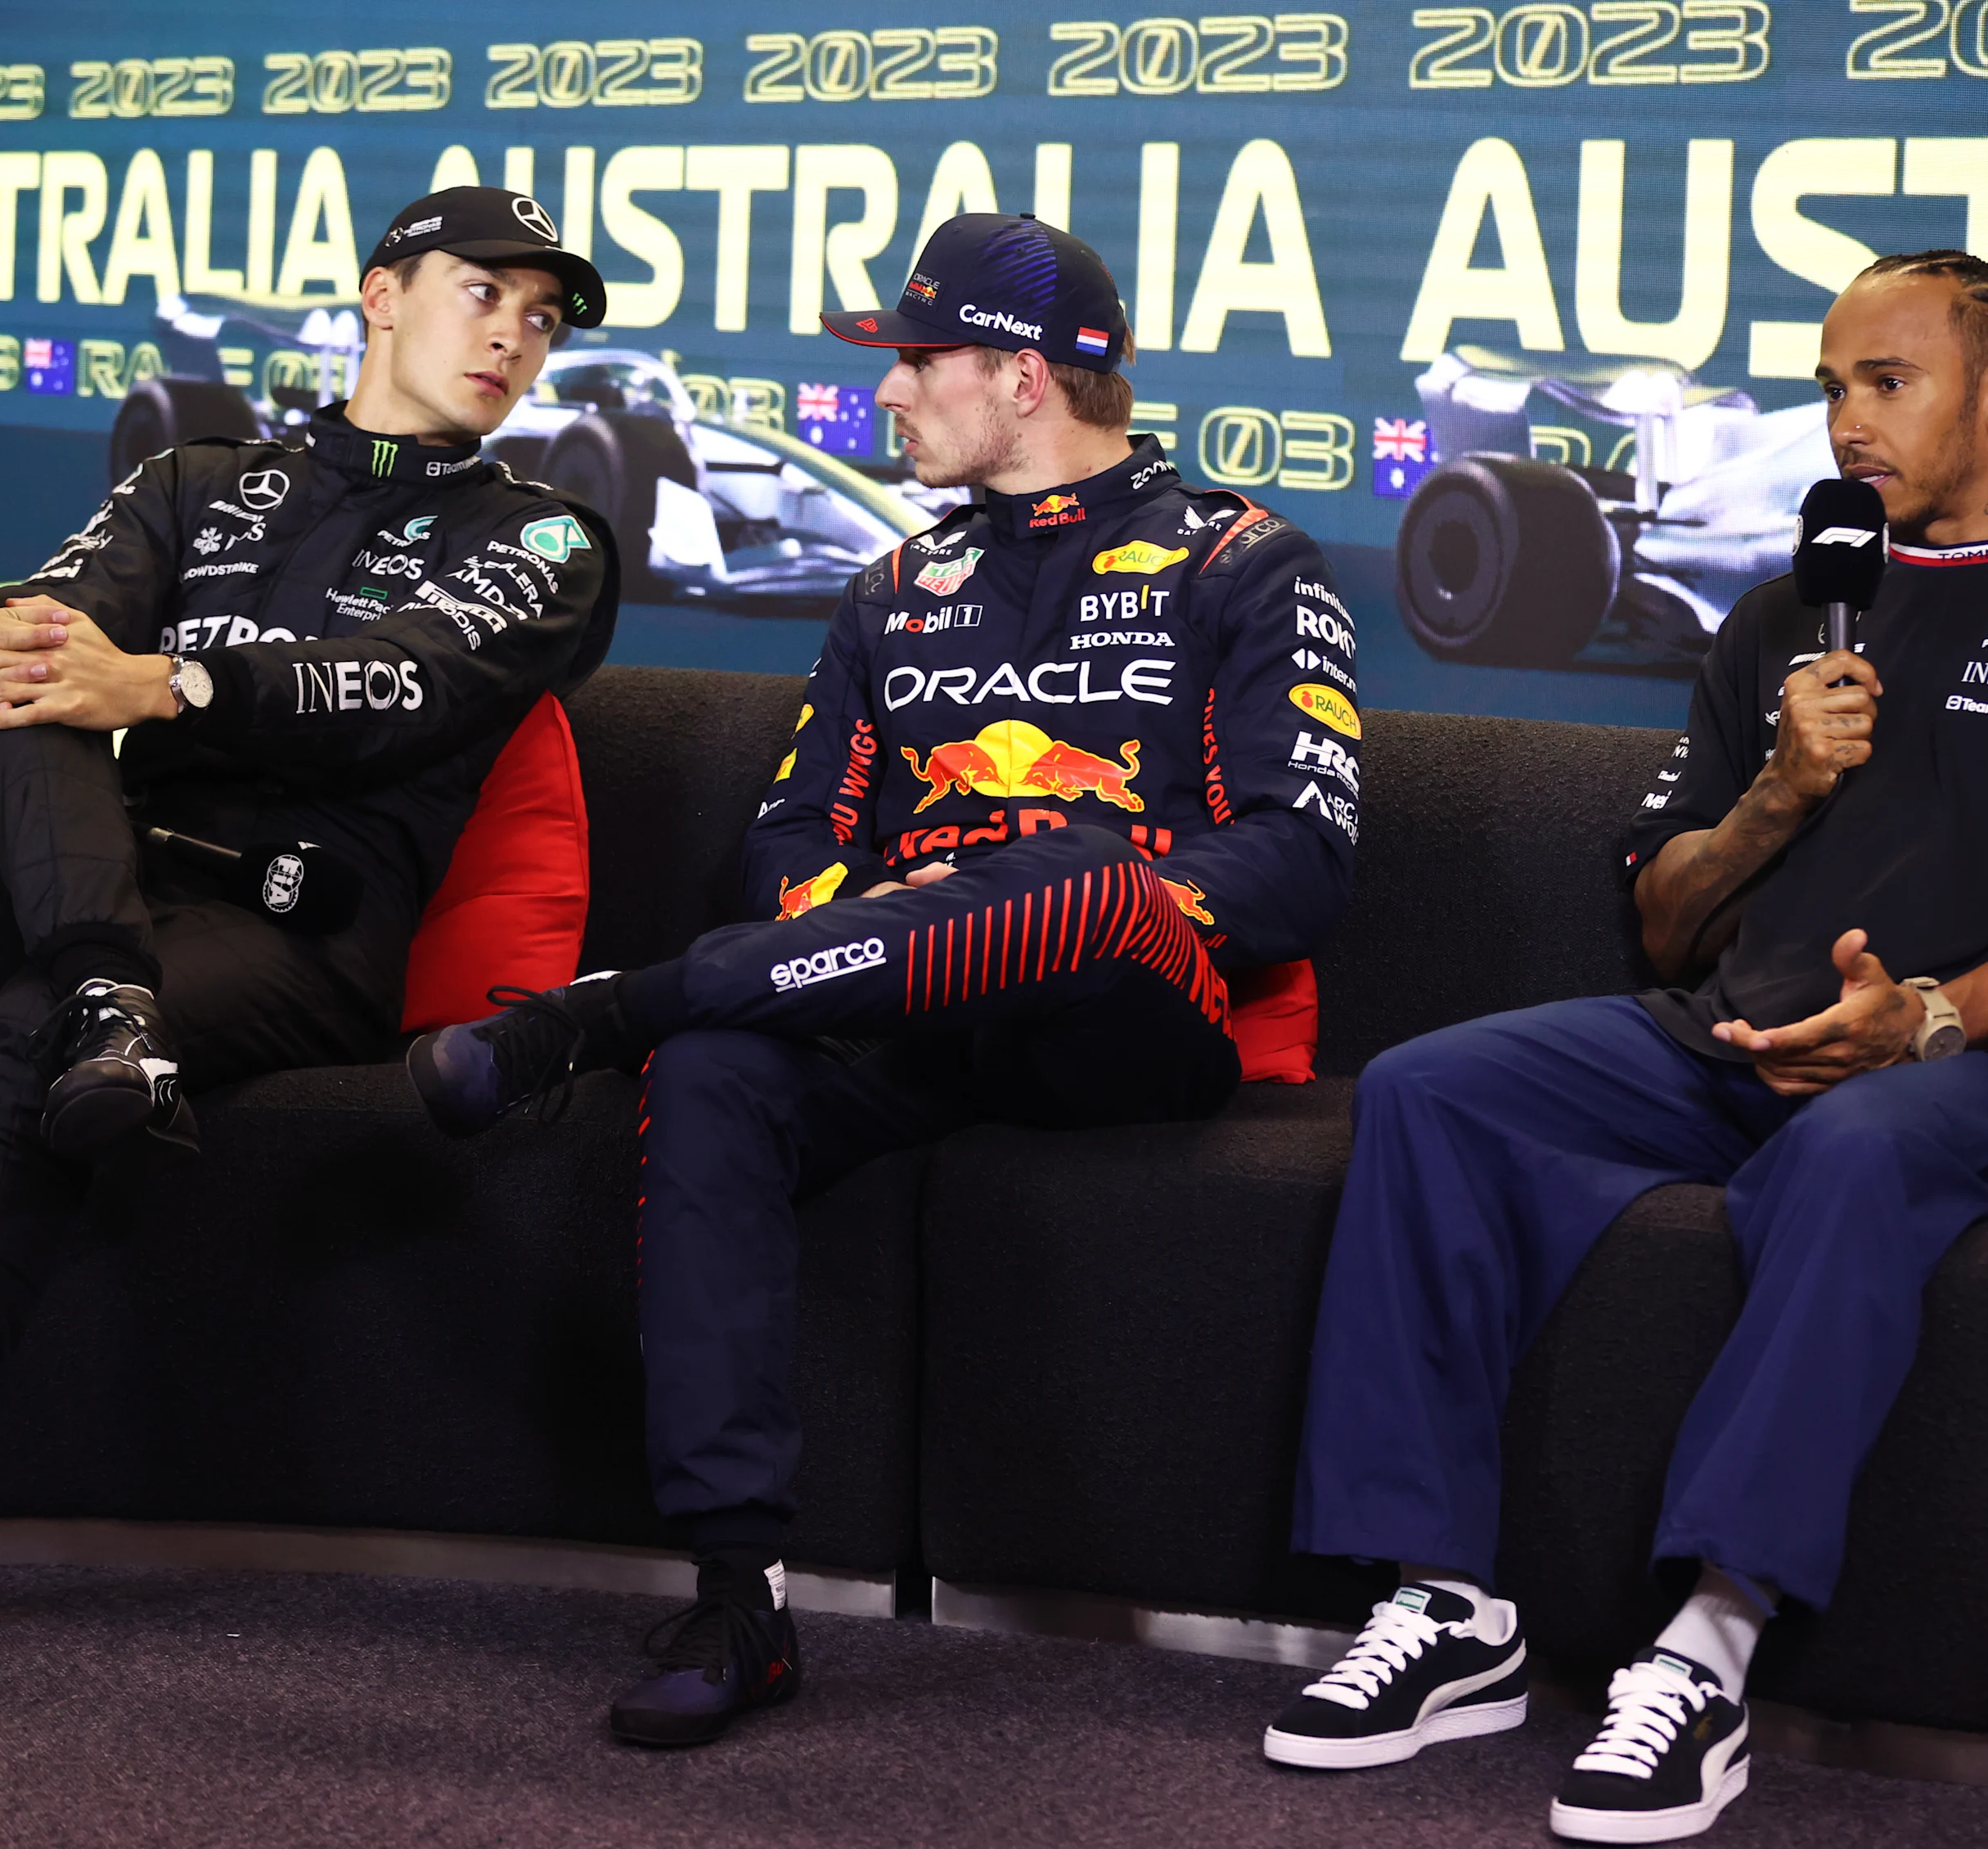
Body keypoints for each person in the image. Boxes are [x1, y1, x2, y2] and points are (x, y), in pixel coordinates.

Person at [1264, 250, 1988, 1842]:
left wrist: (1919, 1017)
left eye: (1886, 381)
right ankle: (1446, 1604)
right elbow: (1665, 923)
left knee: (1851, 1145)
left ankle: (1707, 1648)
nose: (1845, 419)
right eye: (1832, 383)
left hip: (1974, 1060)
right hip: (1730, 1034)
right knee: (1432, 1088)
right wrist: (1779, 791)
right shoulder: (1786, 612)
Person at [0, 188, 618, 1686]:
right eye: (484, 292)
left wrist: (166, 687)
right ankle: (110, 1004)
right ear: (378, 292)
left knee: (24, 1030)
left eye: (541, 319)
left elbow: (403, 689)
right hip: (97, 889)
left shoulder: (546, 538)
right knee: (23, 662)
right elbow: (32, 639)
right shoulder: (196, 479)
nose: (513, 333)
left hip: (293, 937)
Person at [407, 211, 1360, 1745]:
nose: (890, 394)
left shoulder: (1246, 564)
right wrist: (888, 928)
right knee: (716, 1068)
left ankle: (604, 1008)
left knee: (1075, 873)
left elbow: (1299, 861)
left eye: (918, 360)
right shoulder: (895, 587)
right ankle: (738, 1599)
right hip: (903, 1010)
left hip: (1129, 1021)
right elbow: (795, 837)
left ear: (1028, 376)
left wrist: (1047, 895)